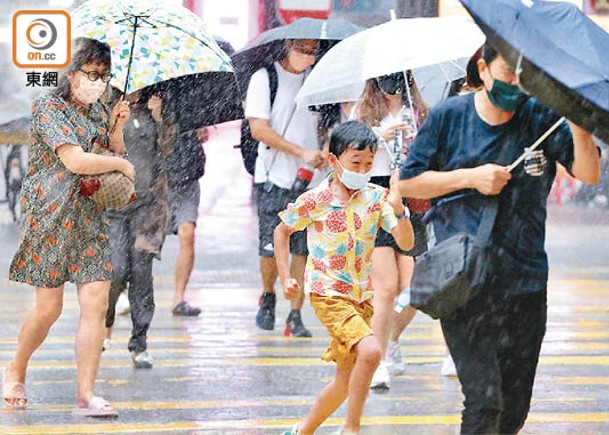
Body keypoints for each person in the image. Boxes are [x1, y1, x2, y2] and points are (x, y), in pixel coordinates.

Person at [399, 42, 600, 434]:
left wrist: (578, 123)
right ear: (484, 69)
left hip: (525, 281)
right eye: (509, 72)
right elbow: (408, 181)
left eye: (527, 76)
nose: (517, 83)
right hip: (464, 280)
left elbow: (588, 174)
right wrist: (471, 177)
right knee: (484, 401)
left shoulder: (542, 117)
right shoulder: (449, 117)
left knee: (514, 407)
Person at [3, 38, 134, 417]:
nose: (98, 83)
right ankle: (16, 368)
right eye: (91, 74)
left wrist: (117, 128)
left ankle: (86, 394)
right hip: (50, 214)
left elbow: (111, 154)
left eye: (104, 76)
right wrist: (122, 167)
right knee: (49, 308)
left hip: (88, 214)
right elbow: (75, 160)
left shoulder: (101, 110)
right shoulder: (48, 108)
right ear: (71, 73)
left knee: (96, 301)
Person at [277, 121, 414, 435]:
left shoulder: (378, 198)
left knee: (344, 378)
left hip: (360, 298)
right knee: (371, 351)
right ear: (333, 161)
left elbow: (406, 243)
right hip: (327, 293)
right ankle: (352, 428)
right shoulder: (316, 199)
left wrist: (401, 210)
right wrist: (286, 278)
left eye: (369, 163)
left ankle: (301, 431)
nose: (363, 169)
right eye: (356, 163)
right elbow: (282, 230)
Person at [352, 71, 429, 390]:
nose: (393, 82)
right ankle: (376, 360)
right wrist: (377, 135)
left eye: (399, 75)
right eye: (386, 76)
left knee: (413, 289)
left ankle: (390, 340)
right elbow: (348, 157)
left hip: (410, 197)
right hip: (374, 196)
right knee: (386, 287)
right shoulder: (363, 112)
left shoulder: (421, 112)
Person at [246, 38, 326, 337]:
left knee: (301, 250)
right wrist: (300, 152)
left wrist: (322, 151)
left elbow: (327, 126)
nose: (307, 56)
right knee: (269, 247)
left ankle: (295, 314)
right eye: (301, 49)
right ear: (288, 46)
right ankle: (268, 296)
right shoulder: (264, 78)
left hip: (311, 182)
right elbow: (259, 129)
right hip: (273, 176)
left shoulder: (318, 81)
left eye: (312, 50)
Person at [104, 91, 171, 369]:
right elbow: (95, 150)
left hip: (149, 206)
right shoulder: (105, 109)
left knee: (142, 273)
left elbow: (169, 151)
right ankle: (103, 323)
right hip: (112, 204)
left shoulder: (158, 108)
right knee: (116, 270)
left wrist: (159, 119)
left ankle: (139, 343)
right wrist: (114, 121)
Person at [165, 126, 208, 316]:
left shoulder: (193, 103)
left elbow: (203, 133)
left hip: (187, 176)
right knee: (142, 243)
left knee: (187, 233)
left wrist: (198, 129)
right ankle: (124, 293)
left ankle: (179, 298)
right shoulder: (148, 101)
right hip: (156, 179)